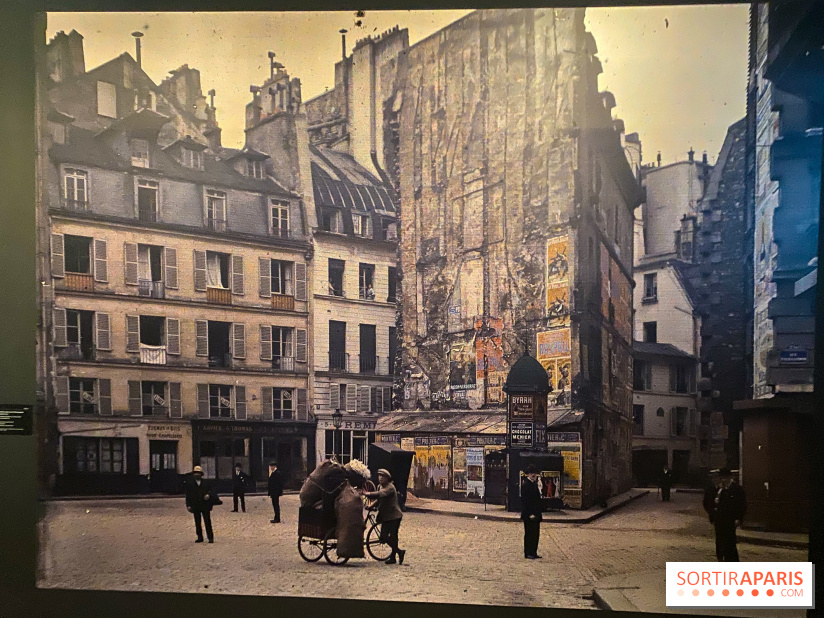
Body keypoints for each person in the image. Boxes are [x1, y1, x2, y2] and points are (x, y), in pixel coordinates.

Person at [703, 468, 747, 561]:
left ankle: (731, 560)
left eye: (726, 478)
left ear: (730, 478)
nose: (724, 480)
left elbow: (742, 504)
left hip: (730, 520)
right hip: (719, 519)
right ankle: (721, 558)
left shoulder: (737, 489)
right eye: (722, 478)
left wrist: (739, 518)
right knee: (719, 541)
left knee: (730, 542)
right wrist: (713, 515)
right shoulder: (720, 490)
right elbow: (712, 502)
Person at [364, 468, 405, 565]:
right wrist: (371, 506)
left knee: (391, 537)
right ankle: (396, 555)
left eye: (383, 476)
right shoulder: (379, 486)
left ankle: (397, 554)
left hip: (394, 516)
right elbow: (378, 499)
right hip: (386, 516)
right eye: (379, 476)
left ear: (387, 478)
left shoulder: (390, 487)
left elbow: (381, 494)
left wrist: (368, 493)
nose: (380, 478)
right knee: (384, 537)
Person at [185, 466, 214, 543]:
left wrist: (208, 495)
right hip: (195, 504)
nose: (197, 474)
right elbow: (188, 495)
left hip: (205, 504)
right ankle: (200, 537)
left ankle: (210, 537)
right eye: (195, 473)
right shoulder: (190, 484)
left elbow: (211, 491)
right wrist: (188, 505)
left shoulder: (206, 483)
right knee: (197, 522)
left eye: (198, 473)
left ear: (201, 474)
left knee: (207, 521)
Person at [521, 465, 543, 559]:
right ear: (528, 474)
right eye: (531, 473)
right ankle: (528, 552)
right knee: (529, 533)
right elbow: (525, 502)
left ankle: (533, 552)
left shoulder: (534, 484)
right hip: (529, 514)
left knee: (535, 534)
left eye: (534, 473)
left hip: (536, 514)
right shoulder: (526, 485)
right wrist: (530, 514)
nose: (533, 475)